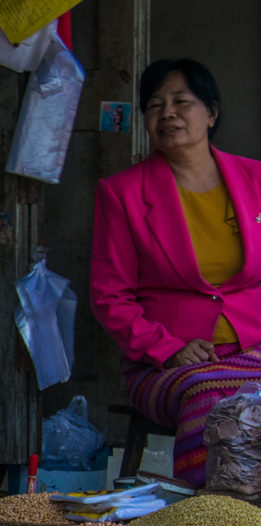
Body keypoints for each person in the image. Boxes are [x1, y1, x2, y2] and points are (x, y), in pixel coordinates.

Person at [92, 58, 261, 486]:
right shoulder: (123, 193)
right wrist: (166, 348)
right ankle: (215, 519)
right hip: (167, 364)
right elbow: (110, 295)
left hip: (252, 348)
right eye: (155, 105)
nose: (167, 112)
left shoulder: (256, 179)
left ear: (212, 113)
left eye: (182, 101)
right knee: (212, 398)